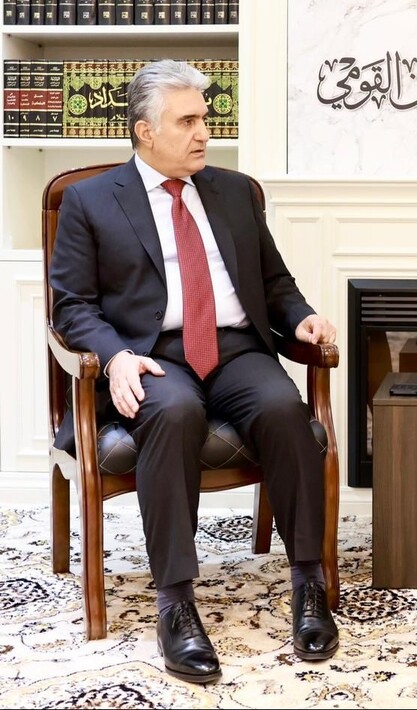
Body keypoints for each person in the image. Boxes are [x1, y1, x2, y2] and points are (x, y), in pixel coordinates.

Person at [49, 59, 339, 684]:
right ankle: (176, 603)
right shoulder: (90, 201)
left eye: (205, 118)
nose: (204, 132)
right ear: (145, 131)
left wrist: (303, 318)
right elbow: (71, 306)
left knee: (285, 410)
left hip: (235, 349)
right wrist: (116, 356)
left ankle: (309, 583)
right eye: (187, 121)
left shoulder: (234, 192)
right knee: (174, 412)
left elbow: (274, 283)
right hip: (151, 354)